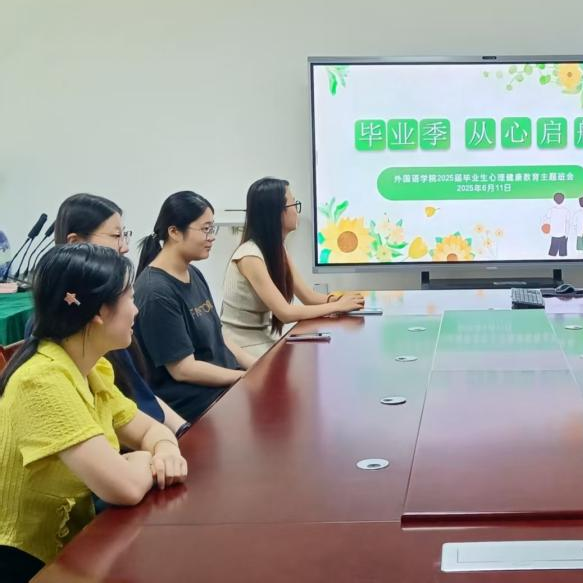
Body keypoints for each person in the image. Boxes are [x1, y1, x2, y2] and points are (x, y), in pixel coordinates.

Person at [0, 245, 188, 582]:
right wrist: (148, 459)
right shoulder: (41, 382)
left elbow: (152, 430)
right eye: (130, 298)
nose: (136, 310)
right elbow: (124, 488)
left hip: (76, 544)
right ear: (100, 311)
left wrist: (164, 450)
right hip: (26, 559)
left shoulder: (90, 368)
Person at [23, 194, 188, 436]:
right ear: (75, 242)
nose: (125, 246)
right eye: (115, 236)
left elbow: (139, 394)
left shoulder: (108, 324)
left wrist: (180, 430)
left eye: (124, 234)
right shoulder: (66, 333)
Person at [134, 191, 252, 422]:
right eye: (206, 229)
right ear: (174, 232)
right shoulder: (156, 292)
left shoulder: (193, 273)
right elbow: (183, 369)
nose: (212, 237)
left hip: (222, 386)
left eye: (212, 228)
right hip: (196, 402)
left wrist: (258, 368)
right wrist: (244, 378)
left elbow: (219, 338)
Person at [221, 178, 364, 351]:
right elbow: (285, 313)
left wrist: (340, 300)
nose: (297, 211)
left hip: (264, 339)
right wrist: (337, 306)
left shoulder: (277, 249)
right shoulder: (250, 256)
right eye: (294, 204)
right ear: (276, 212)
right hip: (242, 345)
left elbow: (308, 297)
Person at [543, 193, 569, 257]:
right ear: (563, 200)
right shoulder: (566, 210)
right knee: (563, 253)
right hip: (563, 233)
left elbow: (546, 219)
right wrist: (567, 233)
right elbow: (567, 223)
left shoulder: (551, 210)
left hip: (553, 233)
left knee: (552, 253)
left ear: (554, 200)